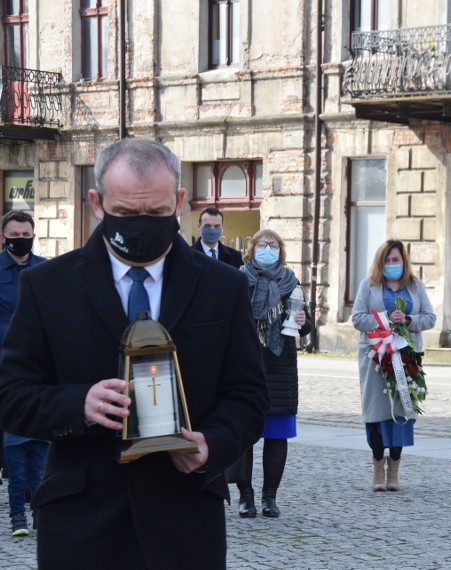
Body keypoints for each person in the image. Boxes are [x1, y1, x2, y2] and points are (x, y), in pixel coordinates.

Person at [0, 138, 269, 569]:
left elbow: (249, 395)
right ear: (97, 202)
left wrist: (211, 445)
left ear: (179, 201)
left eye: (157, 213)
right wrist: (79, 403)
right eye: (126, 213)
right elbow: (11, 396)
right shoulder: (49, 285)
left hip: (185, 522)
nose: (142, 225)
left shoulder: (225, 286)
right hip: (79, 525)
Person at [232, 229, 313, 519]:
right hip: (246, 363)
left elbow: (305, 324)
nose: (268, 248)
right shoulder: (239, 279)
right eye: (263, 244)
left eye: (274, 245)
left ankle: (269, 498)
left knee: (276, 434)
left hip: (281, 366)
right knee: (244, 435)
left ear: (281, 250)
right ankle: (246, 497)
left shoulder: (290, 281)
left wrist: (303, 320)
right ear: (252, 249)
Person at [351, 239, 435, 492]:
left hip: (406, 357)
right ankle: (378, 466)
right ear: (380, 262)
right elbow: (357, 318)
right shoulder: (369, 285)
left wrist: (407, 319)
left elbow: (430, 318)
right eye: (387, 260)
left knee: (400, 410)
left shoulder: (415, 286)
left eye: (395, 260)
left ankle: (394, 468)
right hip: (376, 357)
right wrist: (385, 318)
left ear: (403, 261)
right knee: (377, 413)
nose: (391, 264)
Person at [0, 211, 48, 537]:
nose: (21, 238)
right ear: (4, 236)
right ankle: (17, 511)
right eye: (15, 233)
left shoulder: (46, 269)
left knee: (41, 439)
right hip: (3, 368)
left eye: (26, 232)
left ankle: (40, 508)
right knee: (13, 443)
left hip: (38, 368)